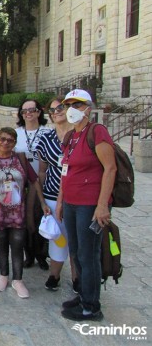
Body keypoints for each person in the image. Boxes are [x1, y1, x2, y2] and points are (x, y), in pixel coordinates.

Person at [57, 89, 116, 321]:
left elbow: (110, 168)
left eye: (77, 104)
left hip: (90, 205)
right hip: (71, 203)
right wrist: (61, 201)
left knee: (88, 255)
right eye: (68, 104)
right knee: (76, 252)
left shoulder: (97, 132)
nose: (71, 109)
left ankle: (92, 306)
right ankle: (83, 295)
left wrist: (102, 206)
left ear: (88, 108)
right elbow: (66, 171)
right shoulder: (71, 137)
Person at [0, 127, 50, 299]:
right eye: (2, 139)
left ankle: (18, 279)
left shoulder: (20, 159)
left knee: (17, 245)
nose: (5, 143)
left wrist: (43, 202)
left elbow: (34, 180)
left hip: (17, 212)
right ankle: (3, 275)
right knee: (2, 243)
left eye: (10, 140)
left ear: (15, 143)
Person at [35, 96, 77, 292]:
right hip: (52, 195)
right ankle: (55, 274)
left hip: (77, 196)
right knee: (58, 236)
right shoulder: (47, 139)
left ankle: (78, 277)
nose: (57, 111)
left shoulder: (81, 135)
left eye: (60, 107)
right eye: (52, 110)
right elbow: (42, 171)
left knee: (76, 239)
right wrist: (41, 199)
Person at [15, 99, 51, 270]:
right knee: (25, 220)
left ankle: (42, 255)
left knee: (43, 218)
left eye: (31, 110)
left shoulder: (48, 133)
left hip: (45, 183)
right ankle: (28, 255)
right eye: (24, 111)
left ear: (39, 112)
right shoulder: (17, 134)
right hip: (23, 185)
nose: (28, 113)